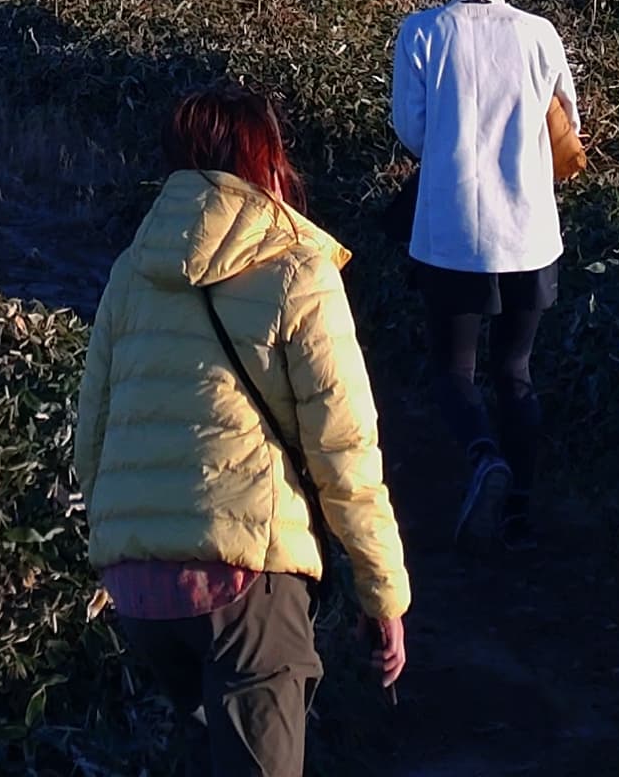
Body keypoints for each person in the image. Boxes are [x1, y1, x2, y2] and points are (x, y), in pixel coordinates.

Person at [75, 85, 411, 776]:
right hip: (245, 580)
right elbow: (343, 449)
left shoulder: (132, 271)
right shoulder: (295, 266)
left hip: (140, 591)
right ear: (269, 163)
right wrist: (384, 593)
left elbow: (92, 440)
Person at [389, 0, 583, 545]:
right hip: (531, 232)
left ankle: (483, 456)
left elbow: (414, 135)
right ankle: (522, 513)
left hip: (452, 233)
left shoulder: (422, 32)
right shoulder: (540, 35)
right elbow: (569, 131)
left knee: (453, 372)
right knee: (517, 372)